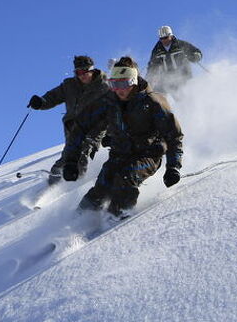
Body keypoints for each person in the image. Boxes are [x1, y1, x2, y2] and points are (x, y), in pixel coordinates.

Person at [61, 57, 183, 218]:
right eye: (114, 84)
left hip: (148, 155)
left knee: (126, 177)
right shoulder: (109, 101)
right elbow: (81, 126)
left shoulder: (152, 102)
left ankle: (116, 216)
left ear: (133, 81)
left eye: (123, 84)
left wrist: (173, 167)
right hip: (119, 154)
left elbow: (173, 135)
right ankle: (75, 223)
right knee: (101, 187)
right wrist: (71, 160)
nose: (119, 90)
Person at [27, 55, 109, 185]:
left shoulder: (104, 87)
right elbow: (53, 96)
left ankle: (76, 185)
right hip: (73, 126)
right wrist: (41, 102)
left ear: (92, 70)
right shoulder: (69, 85)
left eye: (84, 71)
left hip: (95, 127)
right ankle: (53, 184)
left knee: (82, 151)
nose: (81, 75)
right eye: (78, 72)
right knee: (68, 155)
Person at [146, 25, 203, 93]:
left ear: (171, 36)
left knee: (185, 96)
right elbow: (152, 65)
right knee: (155, 95)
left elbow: (197, 52)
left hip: (183, 77)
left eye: (166, 37)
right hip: (166, 79)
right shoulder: (157, 50)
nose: (164, 40)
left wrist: (195, 57)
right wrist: (149, 77)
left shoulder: (180, 45)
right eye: (161, 38)